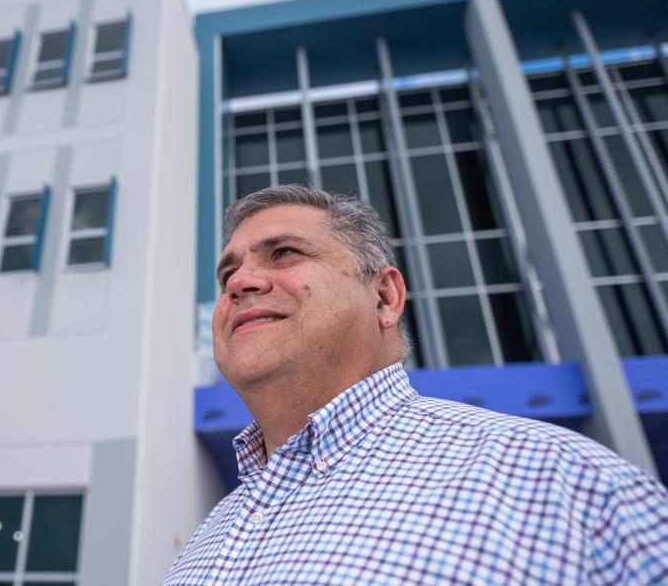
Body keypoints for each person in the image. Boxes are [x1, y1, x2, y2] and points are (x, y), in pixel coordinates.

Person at [164, 185, 668, 585]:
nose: (239, 282)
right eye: (229, 271)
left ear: (384, 297)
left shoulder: (563, 480)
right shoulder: (212, 533)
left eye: (285, 254)